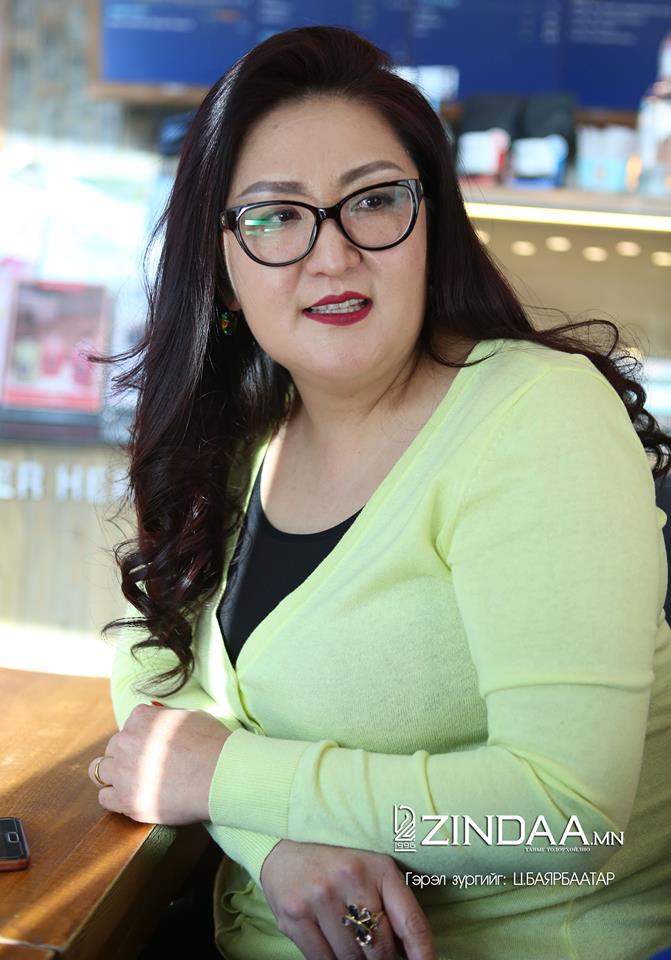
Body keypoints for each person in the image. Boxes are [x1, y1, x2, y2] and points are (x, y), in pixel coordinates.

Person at [88, 25, 671, 960]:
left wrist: (229, 777)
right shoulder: (249, 433)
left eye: (373, 200)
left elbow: (562, 814)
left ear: (430, 223)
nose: (331, 255)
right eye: (275, 216)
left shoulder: (534, 416)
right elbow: (156, 691)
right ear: (222, 269)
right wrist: (274, 844)